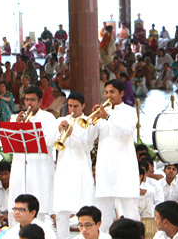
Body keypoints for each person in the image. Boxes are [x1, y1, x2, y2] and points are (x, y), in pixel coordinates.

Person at [84, 79, 140, 233]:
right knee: (103, 213)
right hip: (105, 169)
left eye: (112, 92)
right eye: (106, 92)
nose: (108, 95)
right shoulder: (101, 114)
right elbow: (89, 140)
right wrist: (92, 121)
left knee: (130, 212)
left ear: (121, 93)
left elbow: (126, 130)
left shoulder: (129, 111)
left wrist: (107, 116)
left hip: (124, 168)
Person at [9, 86, 57, 223]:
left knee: (39, 203)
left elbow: (49, 141)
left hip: (39, 167)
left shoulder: (48, 118)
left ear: (40, 101)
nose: (29, 103)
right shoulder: (16, 117)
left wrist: (31, 128)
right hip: (20, 166)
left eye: (32, 100)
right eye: (26, 100)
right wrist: (17, 125)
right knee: (17, 200)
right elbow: (10, 143)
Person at [54, 92, 96, 239]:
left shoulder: (89, 122)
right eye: (70, 105)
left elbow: (87, 147)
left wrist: (73, 134)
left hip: (81, 169)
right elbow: (51, 142)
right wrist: (58, 130)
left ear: (83, 106)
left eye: (76, 106)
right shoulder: (61, 120)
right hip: (63, 169)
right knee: (61, 210)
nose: (72, 109)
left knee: (84, 208)